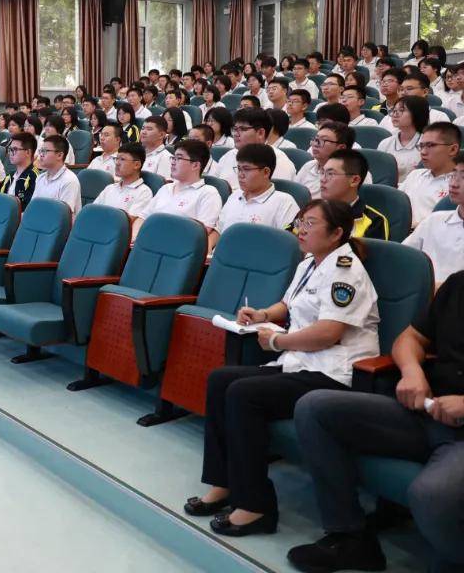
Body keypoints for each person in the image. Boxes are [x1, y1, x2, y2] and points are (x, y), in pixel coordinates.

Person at [184, 200, 380, 537]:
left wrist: (276, 342)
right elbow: (288, 304)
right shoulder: (309, 262)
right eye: (301, 222)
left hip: (334, 373)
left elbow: (329, 333)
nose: (301, 230)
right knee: (220, 380)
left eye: (311, 224)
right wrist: (262, 315)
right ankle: (224, 483)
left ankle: (256, 506)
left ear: (335, 233)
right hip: (301, 362)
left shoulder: (345, 270)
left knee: (245, 394)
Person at [287, 270, 464, 573]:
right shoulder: (459, 284)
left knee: (432, 495)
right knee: (315, 408)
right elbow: (411, 338)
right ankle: (350, 537)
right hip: (425, 411)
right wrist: (412, 372)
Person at [133, 139, 221, 247]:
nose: (173, 162)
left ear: (195, 165)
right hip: (148, 244)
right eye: (173, 158)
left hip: (177, 249)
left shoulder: (208, 193)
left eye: (179, 158)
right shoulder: (165, 188)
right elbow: (142, 218)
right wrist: (136, 237)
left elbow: (202, 231)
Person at [403, 152, 464, 287]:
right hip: (419, 295)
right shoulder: (434, 220)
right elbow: (402, 258)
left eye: (463, 177)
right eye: (453, 175)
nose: (454, 184)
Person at [216, 143, 300, 239]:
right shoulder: (234, 196)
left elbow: (291, 240)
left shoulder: (285, 202)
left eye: (246, 169)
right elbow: (218, 230)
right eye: (239, 169)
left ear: (266, 172)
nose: (240, 175)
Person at [314, 149, 389, 240]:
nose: (322, 179)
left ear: (354, 180)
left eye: (330, 174)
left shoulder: (374, 222)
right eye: (322, 172)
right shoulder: (312, 211)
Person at [217, 108, 297, 192]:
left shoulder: (279, 161)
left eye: (243, 129)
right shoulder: (228, 156)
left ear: (260, 133)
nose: (236, 134)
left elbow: (275, 199)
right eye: (235, 129)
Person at [401, 122, 461, 225]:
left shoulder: (459, 185)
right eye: (421, 146)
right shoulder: (414, 175)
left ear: (453, 149)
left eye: (430, 145)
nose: (423, 152)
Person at [94, 143, 153, 219]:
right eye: (117, 159)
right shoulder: (110, 188)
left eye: (122, 159)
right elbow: (93, 211)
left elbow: (130, 221)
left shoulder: (144, 192)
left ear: (137, 165)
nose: (117, 163)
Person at [377, 95, 427, 183]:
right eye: (394, 110)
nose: (395, 114)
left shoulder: (427, 144)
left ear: (417, 114)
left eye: (401, 110)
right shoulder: (385, 143)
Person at [382, 74, 452, 132]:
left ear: (425, 92)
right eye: (401, 89)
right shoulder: (389, 118)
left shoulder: (439, 117)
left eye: (409, 89)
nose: (403, 93)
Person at [33, 134, 81, 216]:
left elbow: (63, 217)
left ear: (59, 155)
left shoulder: (69, 180)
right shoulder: (40, 178)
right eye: (40, 151)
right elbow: (33, 207)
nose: (41, 155)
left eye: (45, 151)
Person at [0, 132, 38, 208]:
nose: (10, 153)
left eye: (15, 149)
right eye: (10, 149)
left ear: (28, 152)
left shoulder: (35, 177)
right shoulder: (9, 176)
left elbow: (29, 209)